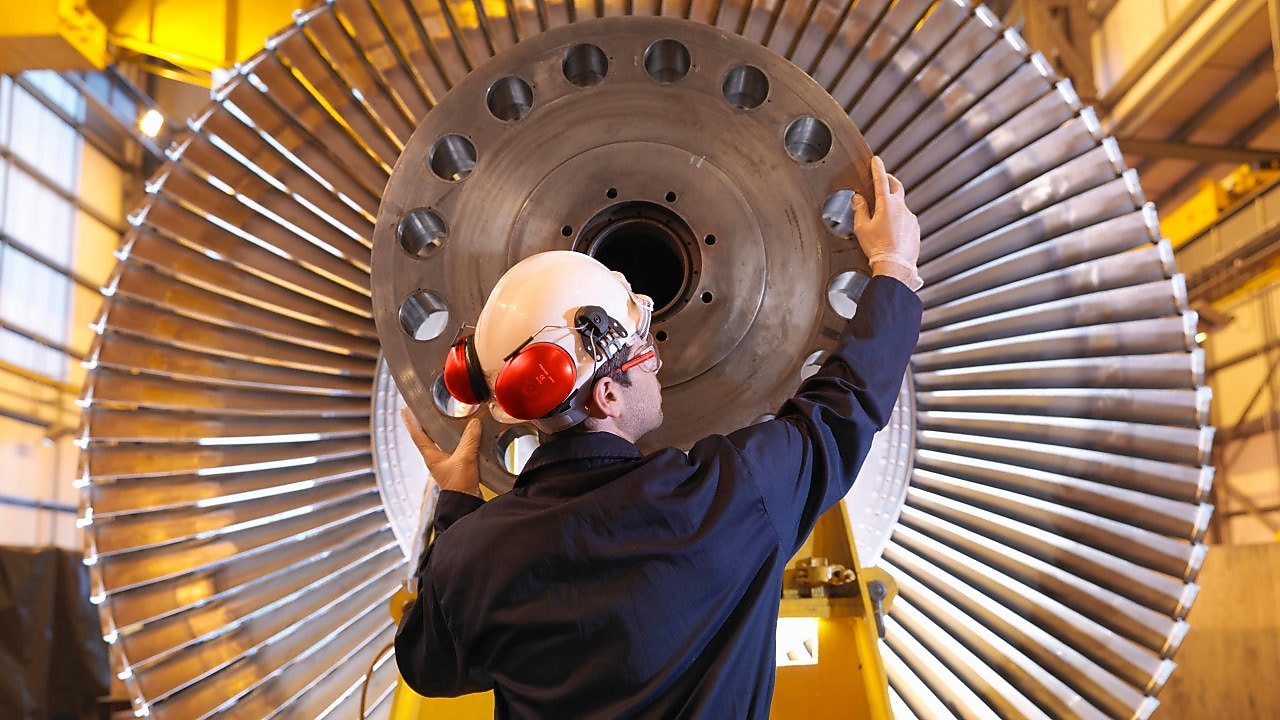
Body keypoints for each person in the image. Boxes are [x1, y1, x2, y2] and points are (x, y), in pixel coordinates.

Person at [394, 155, 923, 718]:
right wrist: (892, 266)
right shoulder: (728, 500)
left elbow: (428, 667)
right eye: (643, 350)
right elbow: (842, 411)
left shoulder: (472, 559)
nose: (658, 360)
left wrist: (458, 508)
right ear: (607, 396)